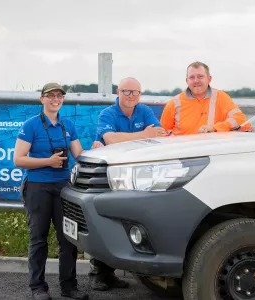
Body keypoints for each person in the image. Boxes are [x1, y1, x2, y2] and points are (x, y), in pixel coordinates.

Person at [89, 77, 167, 291]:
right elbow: (111, 139)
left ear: (140, 94)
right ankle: (98, 273)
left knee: (127, 222)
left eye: (135, 92)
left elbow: (159, 136)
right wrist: (143, 135)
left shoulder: (145, 112)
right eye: (126, 91)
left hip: (135, 174)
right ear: (118, 92)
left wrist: (131, 137)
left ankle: (114, 273)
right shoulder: (107, 114)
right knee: (105, 221)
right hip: (108, 175)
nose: (131, 95)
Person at [13, 83, 90, 300]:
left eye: (59, 96)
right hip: (38, 187)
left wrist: (96, 151)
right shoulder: (31, 125)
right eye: (50, 95)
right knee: (39, 238)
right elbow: (18, 159)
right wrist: (48, 161)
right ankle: (38, 287)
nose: (55, 99)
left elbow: (79, 153)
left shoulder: (68, 124)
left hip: (64, 187)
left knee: (68, 238)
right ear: (42, 99)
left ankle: (69, 286)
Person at [160, 61, 253, 135]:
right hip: (181, 154)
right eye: (192, 77)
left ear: (209, 79)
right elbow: (162, 132)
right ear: (187, 80)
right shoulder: (174, 103)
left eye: (200, 76)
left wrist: (214, 128)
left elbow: (240, 119)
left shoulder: (221, 97)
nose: (196, 81)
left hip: (211, 153)